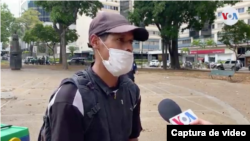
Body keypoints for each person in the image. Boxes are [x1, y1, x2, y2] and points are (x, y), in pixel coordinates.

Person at [38, 12, 149, 141]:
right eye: (120, 40)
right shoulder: (71, 98)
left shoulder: (131, 91)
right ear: (95, 41)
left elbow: (132, 138)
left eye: (130, 41)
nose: (129, 48)